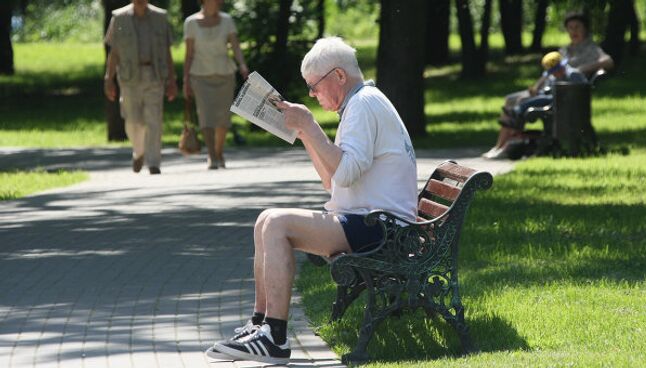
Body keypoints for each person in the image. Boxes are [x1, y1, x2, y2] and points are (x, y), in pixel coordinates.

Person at [205, 37, 418, 364]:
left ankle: (274, 336)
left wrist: (310, 124)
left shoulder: (363, 105)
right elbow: (331, 182)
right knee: (266, 219)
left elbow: (344, 175)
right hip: (371, 222)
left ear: (339, 76)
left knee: (276, 222)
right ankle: (261, 324)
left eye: (314, 86)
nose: (312, 94)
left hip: (382, 229)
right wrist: (305, 134)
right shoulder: (360, 103)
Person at [483, 11, 614, 159]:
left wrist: (583, 68)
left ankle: (504, 147)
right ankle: (500, 145)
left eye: (577, 27)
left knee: (519, 102)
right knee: (510, 99)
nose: (573, 31)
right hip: (546, 89)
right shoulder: (565, 50)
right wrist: (536, 86)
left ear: (585, 28)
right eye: (570, 28)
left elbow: (608, 61)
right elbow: (548, 72)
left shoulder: (591, 49)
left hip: (565, 95)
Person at [104, 0, 177, 174]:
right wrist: (109, 78)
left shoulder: (160, 17)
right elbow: (114, 52)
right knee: (132, 120)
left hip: (155, 74)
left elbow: (167, 51)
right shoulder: (119, 18)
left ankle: (153, 162)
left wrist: (172, 80)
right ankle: (139, 150)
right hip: (129, 77)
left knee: (154, 119)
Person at [183, 0, 249, 170]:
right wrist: (185, 80)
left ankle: (219, 151)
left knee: (223, 118)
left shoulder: (227, 20)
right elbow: (189, 54)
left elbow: (235, 46)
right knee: (206, 115)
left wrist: (242, 65)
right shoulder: (191, 22)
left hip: (225, 74)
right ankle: (212, 155)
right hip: (200, 75)